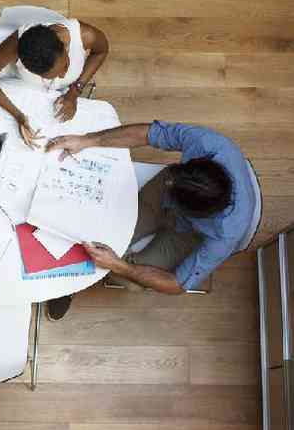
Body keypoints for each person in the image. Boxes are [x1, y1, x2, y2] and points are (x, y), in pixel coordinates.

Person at [42, 120, 256, 321]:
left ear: (194, 212)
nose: (168, 181)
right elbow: (150, 133)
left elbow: (177, 285)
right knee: (96, 233)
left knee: (128, 280)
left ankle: (85, 279)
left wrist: (120, 266)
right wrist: (87, 140)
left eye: (173, 187)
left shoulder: (227, 233)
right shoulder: (210, 145)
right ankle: (70, 281)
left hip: (189, 235)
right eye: (175, 178)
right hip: (166, 199)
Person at [0, 15, 109, 147]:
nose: (63, 76)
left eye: (66, 65)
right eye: (51, 76)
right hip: (21, 88)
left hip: (59, 96)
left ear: (64, 45)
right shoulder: (15, 46)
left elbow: (101, 51)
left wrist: (74, 91)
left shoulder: (85, 36)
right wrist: (18, 116)